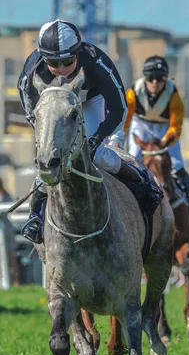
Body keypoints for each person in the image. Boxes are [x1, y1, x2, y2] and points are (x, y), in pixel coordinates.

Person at [18, 19, 150, 244]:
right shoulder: (31, 72)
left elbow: (119, 108)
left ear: (78, 53)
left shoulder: (97, 63)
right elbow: (33, 114)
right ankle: (36, 216)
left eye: (67, 62)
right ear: (43, 57)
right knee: (48, 159)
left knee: (95, 155)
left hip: (89, 102)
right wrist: (51, 140)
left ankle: (140, 182)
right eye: (53, 63)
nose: (61, 69)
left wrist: (97, 138)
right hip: (52, 108)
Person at [124, 55, 189, 221]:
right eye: (151, 78)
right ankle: (126, 198)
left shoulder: (173, 95)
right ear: (145, 78)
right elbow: (126, 119)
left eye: (160, 79)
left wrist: (164, 142)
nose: (155, 82)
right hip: (141, 124)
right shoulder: (133, 92)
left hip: (165, 128)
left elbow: (176, 126)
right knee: (133, 157)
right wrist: (118, 138)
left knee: (176, 164)